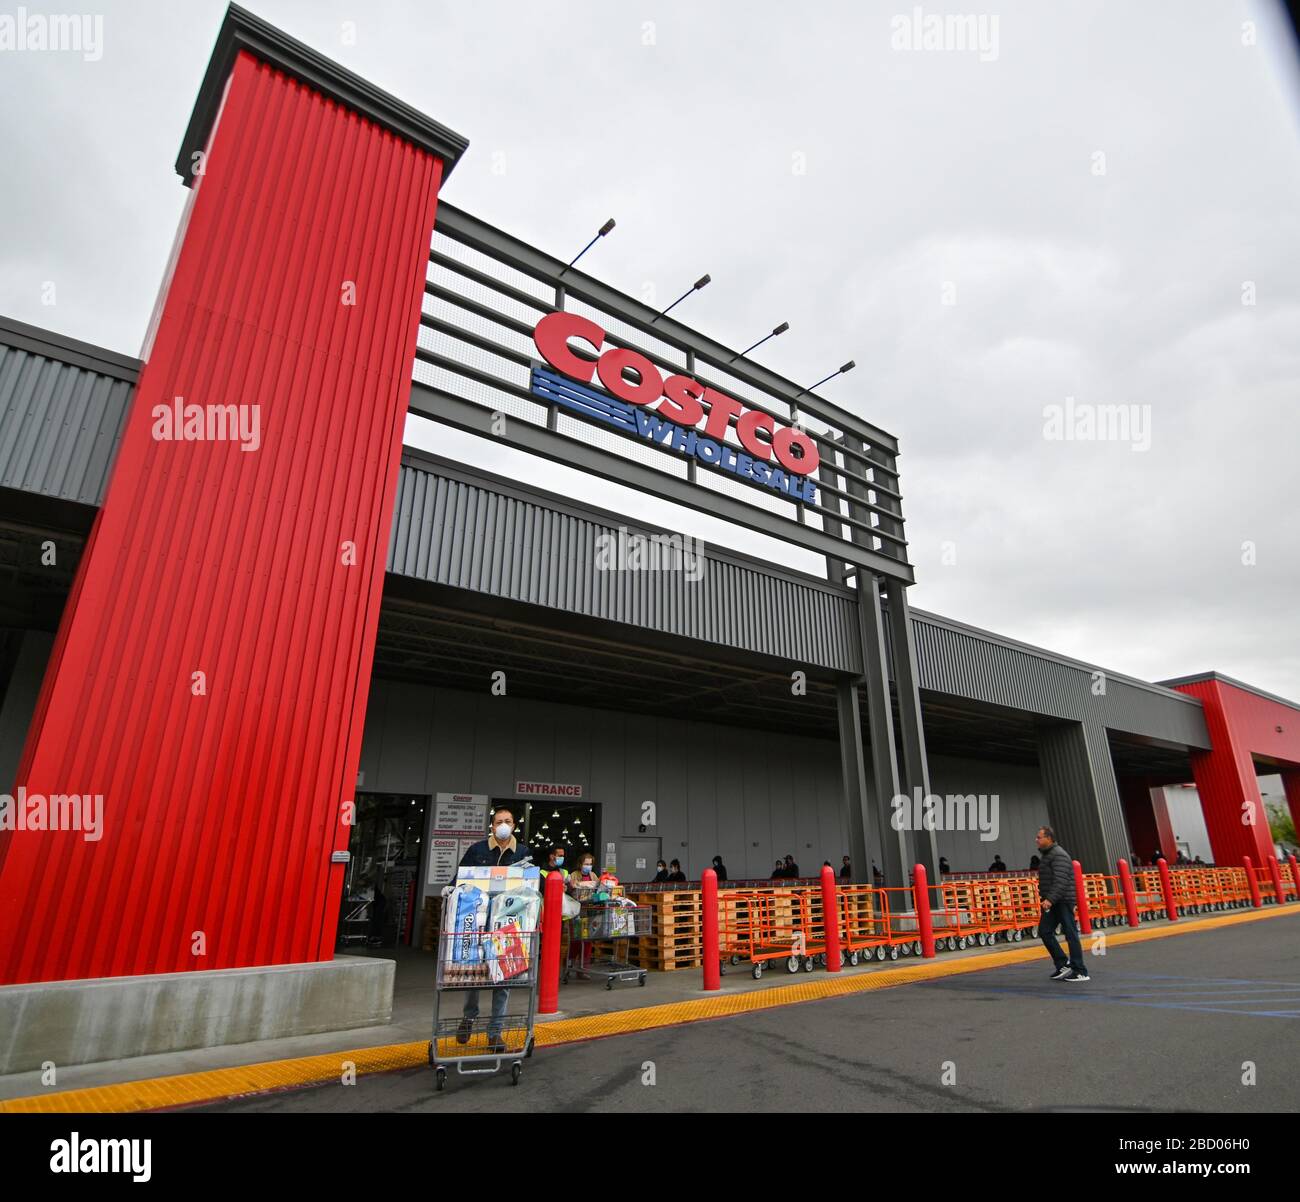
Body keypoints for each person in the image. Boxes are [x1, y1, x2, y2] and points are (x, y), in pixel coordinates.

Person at [456, 804, 533, 1052]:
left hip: (507, 925)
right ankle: (469, 1018)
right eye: (499, 820)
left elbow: (530, 886)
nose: (503, 825)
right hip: (477, 923)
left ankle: (494, 1032)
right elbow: (460, 879)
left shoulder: (522, 852)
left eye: (508, 821)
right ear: (492, 825)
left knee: (503, 979)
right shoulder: (477, 850)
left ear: (514, 825)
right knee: (474, 974)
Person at [1036, 826, 1088, 982]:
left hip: (1062, 900)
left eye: (1039, 837)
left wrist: (1050, 900)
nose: (1036, 840)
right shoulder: (1048, 855)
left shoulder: (1058, 855)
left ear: (1049, 838)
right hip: (1054, 901)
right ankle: (1062, 964)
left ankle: (1080, 971)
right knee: (1044, 931)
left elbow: (1061, 881)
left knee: (1071, 934)